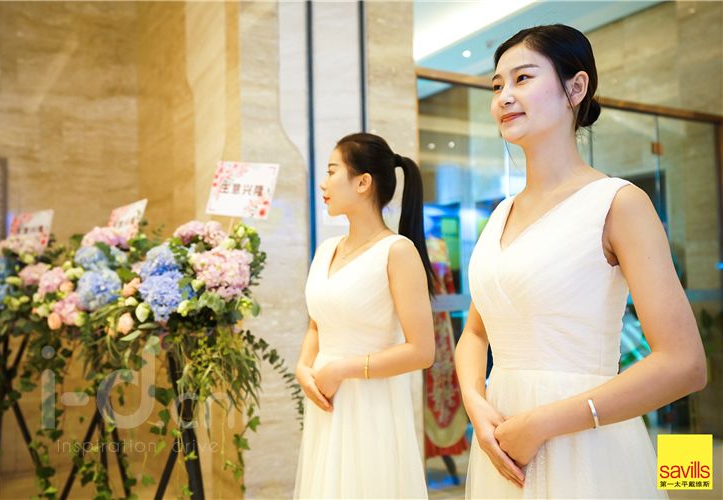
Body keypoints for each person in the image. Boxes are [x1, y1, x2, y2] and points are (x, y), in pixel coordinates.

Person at [455, 24, 706, 498]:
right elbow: (475, 332)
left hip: (585, 446)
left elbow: (685, 363)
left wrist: (542, 423)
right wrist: (475, 401)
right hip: (500, 440)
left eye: (523, 78)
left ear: (576, 88)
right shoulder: (499, 215)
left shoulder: (618, 203)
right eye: (497, 85)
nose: (504, 96)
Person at [294, 132, 435, 498]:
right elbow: (317, 324)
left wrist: (341, 369)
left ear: (362, 182)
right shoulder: (326, 250)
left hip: (372, 405)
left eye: (331, 172)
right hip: (327, 402)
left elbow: (422, 351)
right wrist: (303, 367)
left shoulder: (397, 251)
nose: (323, 184)